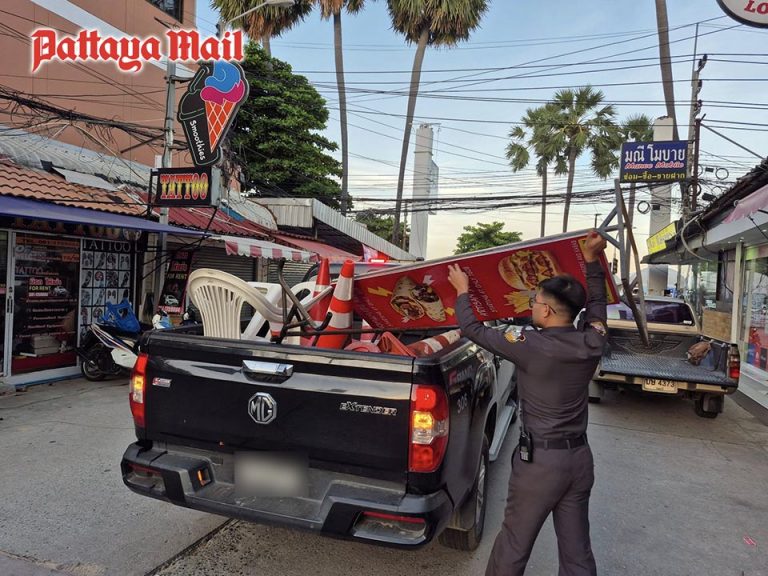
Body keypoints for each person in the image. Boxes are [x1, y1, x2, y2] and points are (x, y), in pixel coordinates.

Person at [447, 230, 608, 576]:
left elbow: (474, 330)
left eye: (535, 301)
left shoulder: (530, 345)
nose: (531, 305)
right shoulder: (592, 342)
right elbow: (597, 309)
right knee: (577, 554)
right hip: (579, 461)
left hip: (540, 466)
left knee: (513, 547)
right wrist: (592, 262)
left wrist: (462, 290)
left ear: (546, 310)